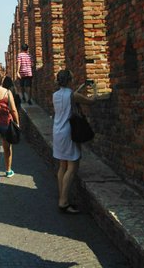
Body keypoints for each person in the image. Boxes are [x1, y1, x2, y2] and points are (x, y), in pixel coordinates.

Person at [52, 69, 96, 214]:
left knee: (62, 166)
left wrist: (82, 87)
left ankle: (62, 196)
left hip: (57, 132)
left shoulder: (55, 95)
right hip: (68, 132)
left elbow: (70, 97)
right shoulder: (72, 95)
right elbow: (91, 101)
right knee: (72, 166)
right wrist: (94, 89)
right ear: (69, 80)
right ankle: (63, 202)